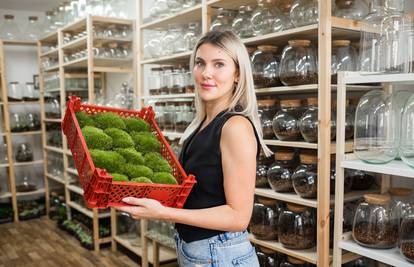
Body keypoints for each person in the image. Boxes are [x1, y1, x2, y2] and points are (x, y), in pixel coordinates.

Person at [117, 30, 272, 266]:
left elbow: (238, 217)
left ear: (237, 74)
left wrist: (162, 213)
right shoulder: (201, 123)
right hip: (201, 250)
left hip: (221, 254)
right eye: (200, 63)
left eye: (219, 64)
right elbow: (198, 192)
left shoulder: (235, 127)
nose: (206, 73)